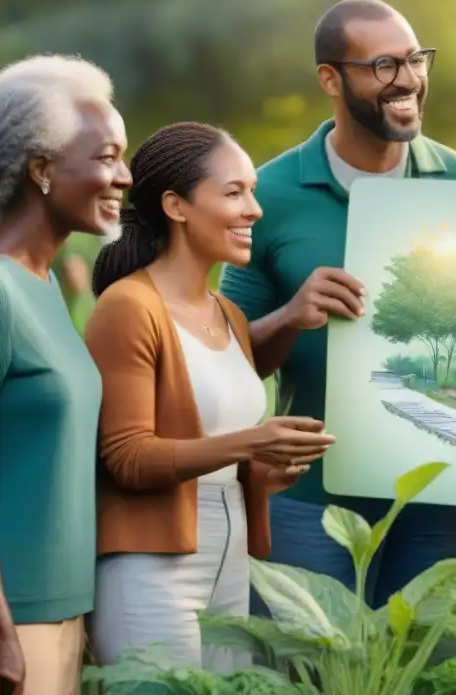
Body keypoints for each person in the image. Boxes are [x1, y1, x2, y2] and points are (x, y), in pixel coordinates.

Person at [219, 0, 456, 612]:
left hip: (436, 496)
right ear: (330, 79)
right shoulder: (272, 195)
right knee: (316, 671)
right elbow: (223, 359)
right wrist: (293, 313)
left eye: (415, 60)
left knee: (435, 669)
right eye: (383, 66)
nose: (408, 81)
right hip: (308, 498)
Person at [83, 122, 335, 672]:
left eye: (252, 191)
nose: (254, 210)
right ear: (176, 206)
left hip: (228, 558)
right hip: (150, 567)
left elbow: (216, 461)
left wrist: (267, 470)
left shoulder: (231, 315)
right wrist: (249, 442)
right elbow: (126, 457)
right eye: (233, 192)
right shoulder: (127, 308)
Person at [0, 54, 130, 695]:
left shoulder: (45, 285)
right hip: (14, 621)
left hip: (64, 611)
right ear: (42, 169)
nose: (125, 177)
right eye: (108, 157)